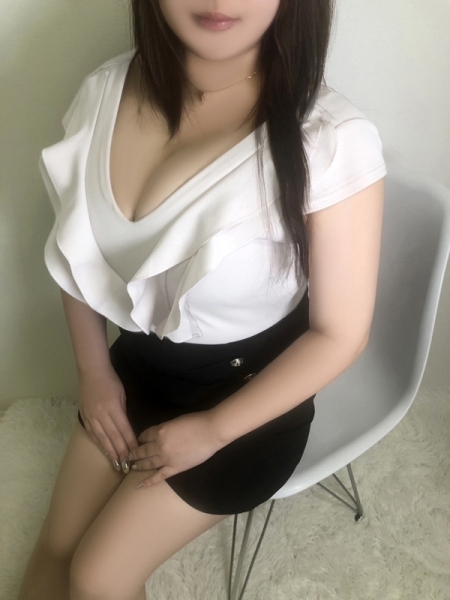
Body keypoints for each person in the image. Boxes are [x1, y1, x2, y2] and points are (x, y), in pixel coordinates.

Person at [18, 0, 387, 598]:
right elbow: (76, 253)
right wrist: (93, 371)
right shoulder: (104, 90)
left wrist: (215, 430)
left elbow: (340, 334)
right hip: (137, 370)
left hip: (251, 401)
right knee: (55, 551)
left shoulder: (331, 137)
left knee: (97, 576)